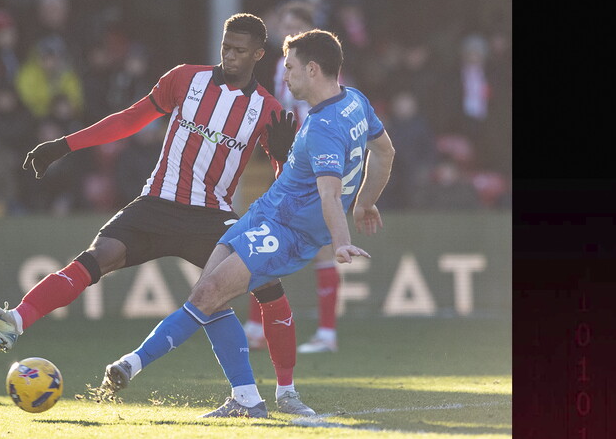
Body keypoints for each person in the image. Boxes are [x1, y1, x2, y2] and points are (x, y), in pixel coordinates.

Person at [0, 13, 316, 416]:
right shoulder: (186, 78)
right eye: (225, 47)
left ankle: (285, 392)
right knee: (96, 257)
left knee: (267, 286)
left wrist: (285, 156)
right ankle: (15, 321)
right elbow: (130, 119)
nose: (230, 56)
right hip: (155, 203)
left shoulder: (268, 109)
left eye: (240, 50)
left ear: (258, 54)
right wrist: (64, 145)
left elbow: (286, 181)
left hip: (210, 216)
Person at [100, 28, 395, 417]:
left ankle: (130, 365)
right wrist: (365, 203)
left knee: (209, 295)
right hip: (265, 212)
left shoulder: (324, 127)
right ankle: (249, 398)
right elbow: (385, 152)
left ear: (312, 69)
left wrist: (340, 240)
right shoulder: (355, 101)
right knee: (208, 291)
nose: (284, 77)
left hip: (288, 232)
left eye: (289, 68)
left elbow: (328, 194)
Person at [243, 1, 345, 354]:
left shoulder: (320, 70)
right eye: (283, 22)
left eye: (294, 24)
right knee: (269, 238)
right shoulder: (279, 67)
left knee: (315, 247)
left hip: (314, 162)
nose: (286, 29)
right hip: (291, 164)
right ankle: (257, 328)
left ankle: (326, 334)